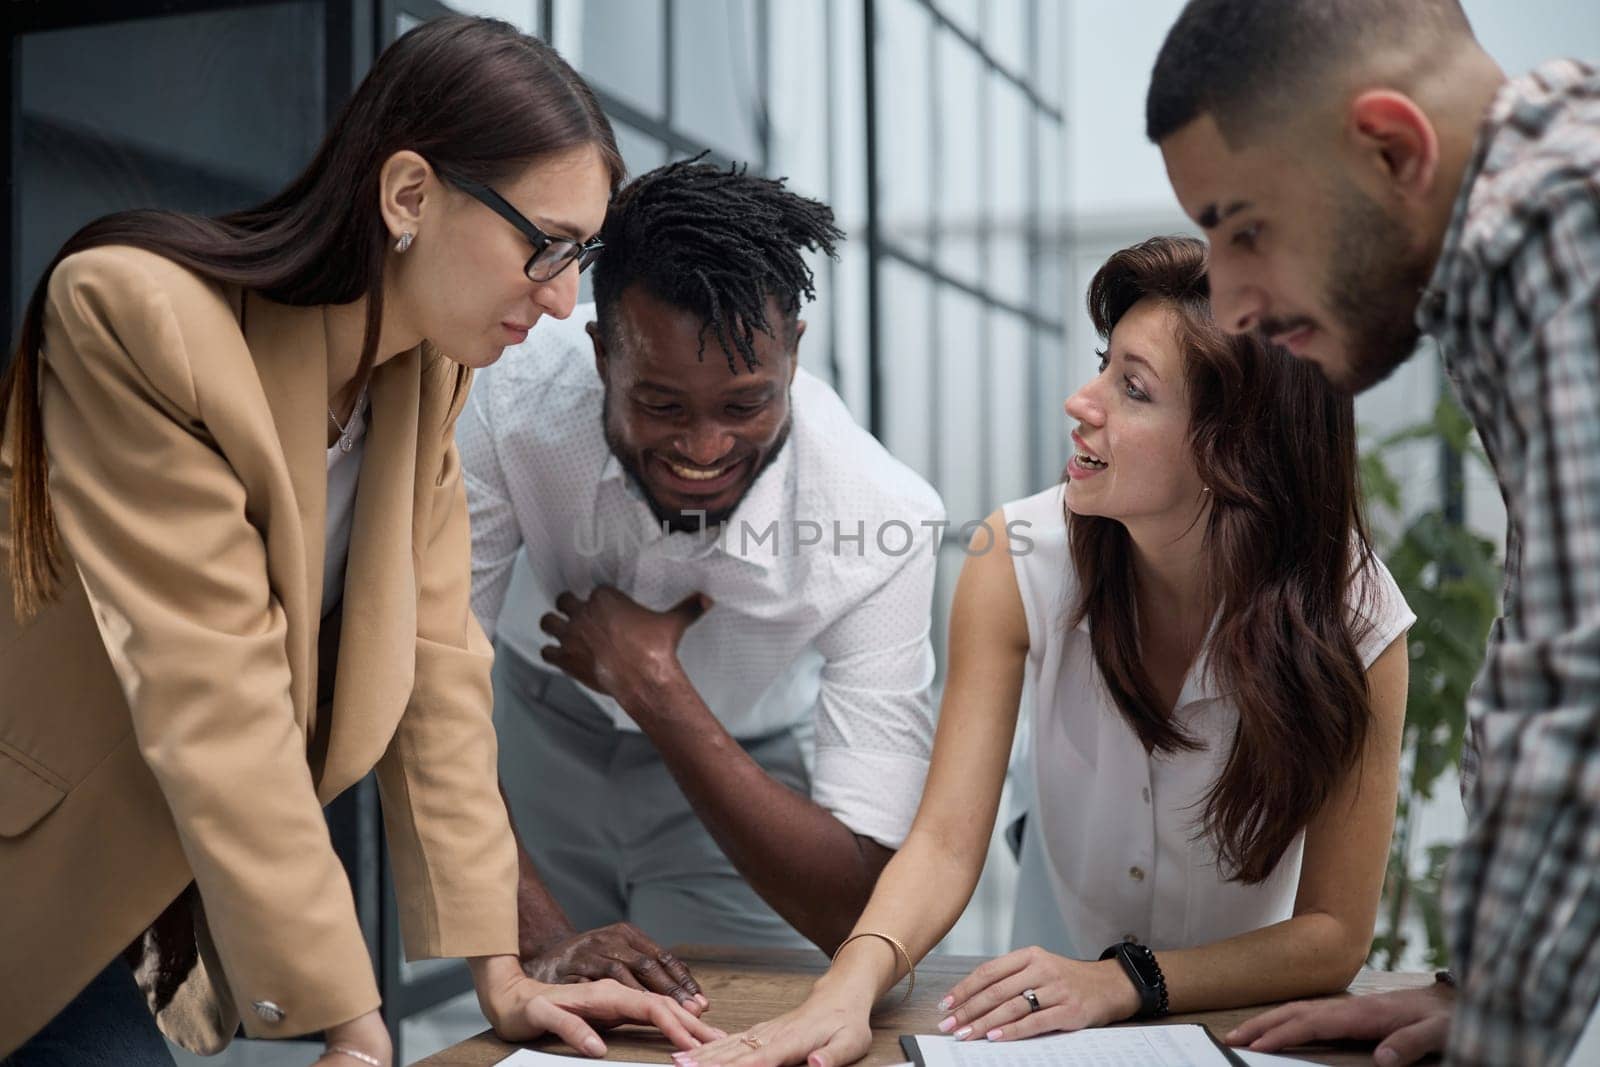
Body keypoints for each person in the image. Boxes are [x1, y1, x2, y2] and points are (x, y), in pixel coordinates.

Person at [0, 17, 717, 1067]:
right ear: (409, 196)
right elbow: (214, 684)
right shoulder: (133, 314)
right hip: (34, 871)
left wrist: (504, 972)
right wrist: (355, 1021)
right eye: (545, 246)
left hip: (142, 891)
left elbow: (437, 675)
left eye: (581, 256)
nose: (564, 299)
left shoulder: (422, 374)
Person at [679, 235, 1414, 1067]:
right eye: (1104, 364)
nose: (1081, 400)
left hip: (1236, 1031)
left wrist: (1127, 980)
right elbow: (948, 840)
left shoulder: (1358, 621)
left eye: (1132, 389)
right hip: (1040, 1036)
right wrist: (843, 990)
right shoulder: (1017, 555)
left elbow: (1333, 934)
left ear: (1237, 446)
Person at [1147, 2, 1599, 1063]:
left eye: (1245, 225)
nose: (1232, 300)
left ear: (1392, 147)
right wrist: (1479, 985)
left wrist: (1498, 1038)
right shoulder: (1513, 247)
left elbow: (1586, 686)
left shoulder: (1554, 226)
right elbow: (1542, 632)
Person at [458, 160, 944, 973]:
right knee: (553, 1029)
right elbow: (428, 693)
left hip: (740, 764)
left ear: (793, 351)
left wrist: (654, 685)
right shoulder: (503, 393)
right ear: (602, 351)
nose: (705, 448)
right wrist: (544, 945)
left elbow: (858, 905)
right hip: (533, 738)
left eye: (745, 404)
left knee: (726, 1035)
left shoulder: (883, 516)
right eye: (661, 405)